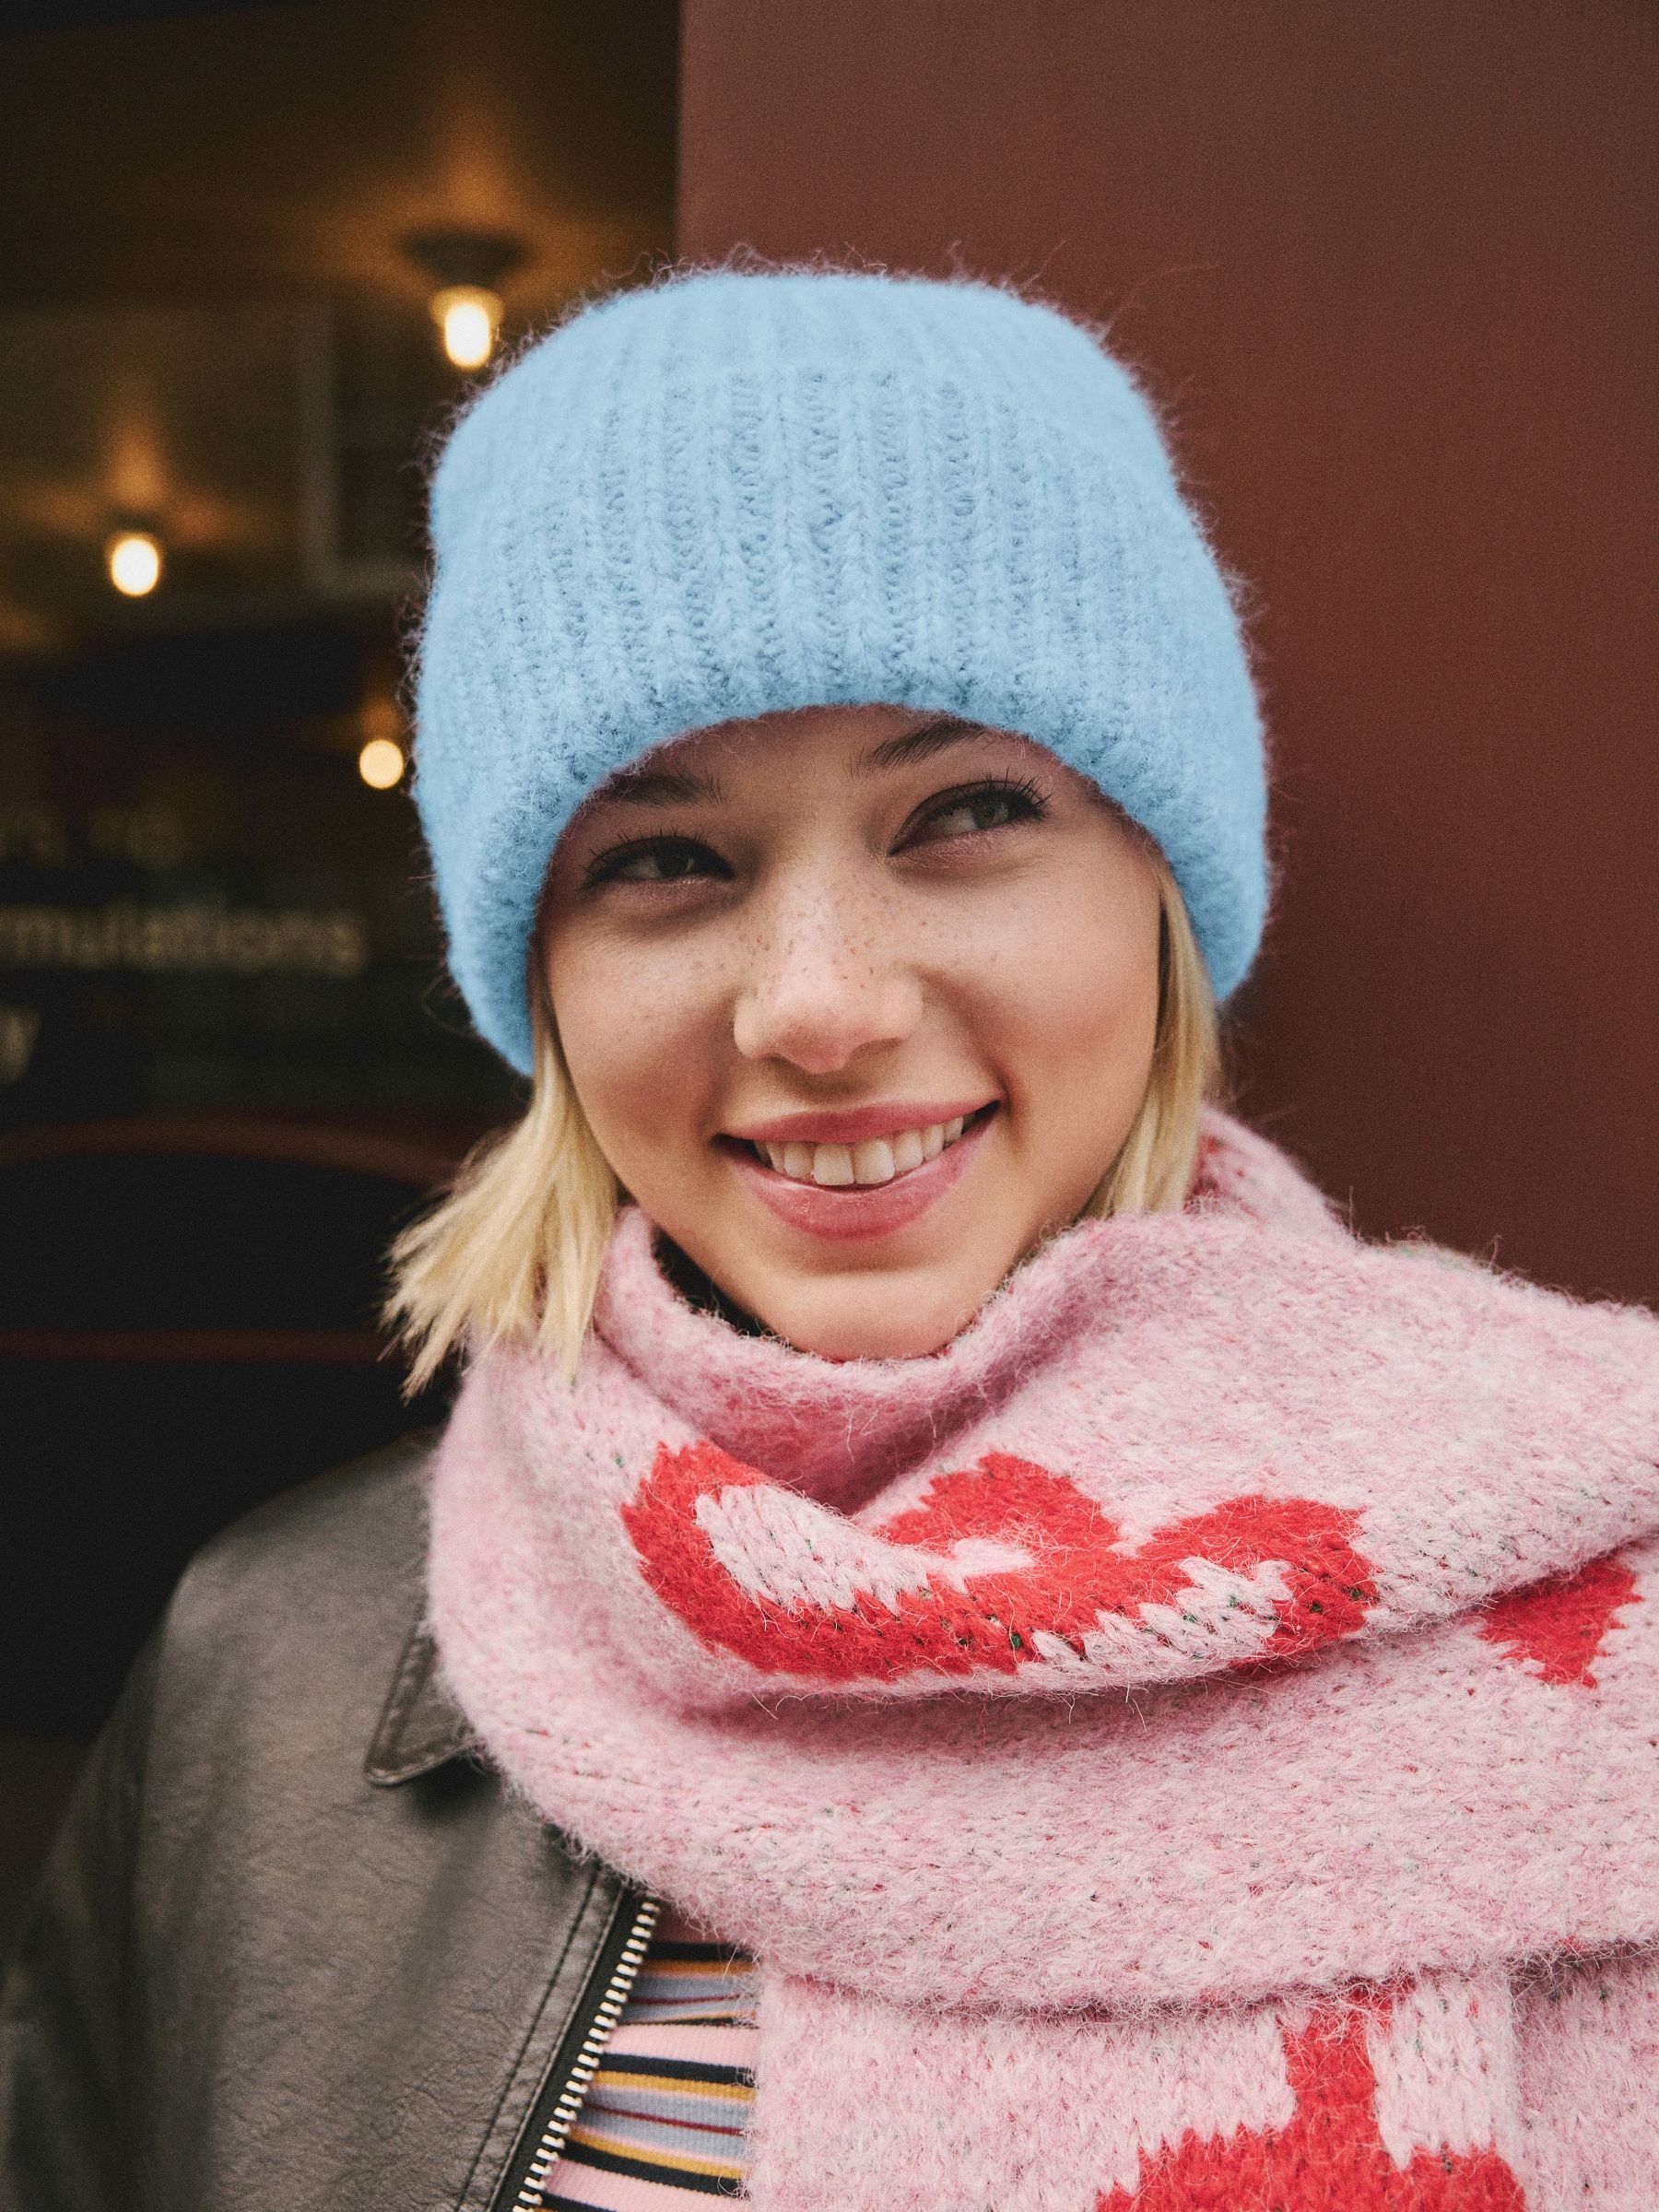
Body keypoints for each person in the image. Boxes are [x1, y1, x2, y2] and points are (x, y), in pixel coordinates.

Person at [3, 265, 1656, 2212]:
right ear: (538, 971)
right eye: (664, 858)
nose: (819, 1003)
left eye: (960, 809)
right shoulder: (272, 1673)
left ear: (1160, 886)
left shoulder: (1590, 1577)